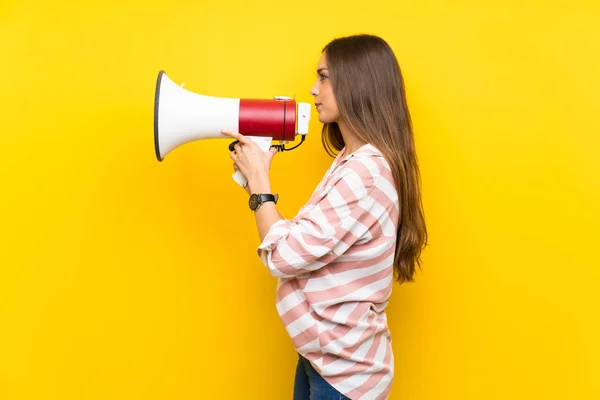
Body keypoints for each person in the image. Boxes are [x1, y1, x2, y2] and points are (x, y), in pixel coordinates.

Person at [222, 34, 427, 400]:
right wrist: (258, 188)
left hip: (344, 374)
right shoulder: (350, 161)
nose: (313, 90)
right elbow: (300, 241)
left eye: (324, 77)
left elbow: (284, 258)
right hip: (323, 358)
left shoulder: (365, 172)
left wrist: (260, 187)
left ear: (356, 83)